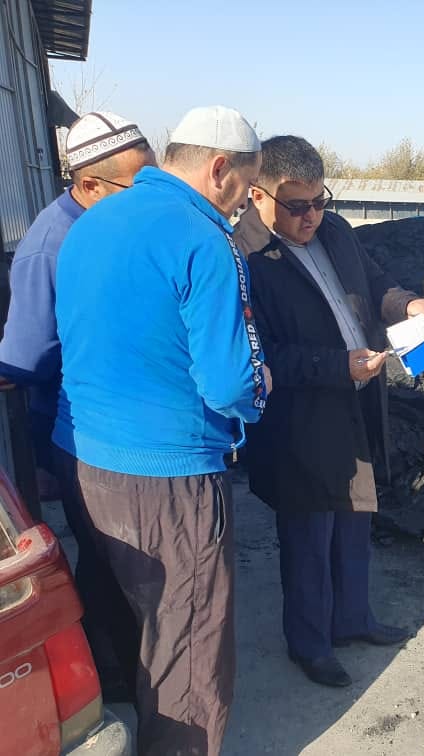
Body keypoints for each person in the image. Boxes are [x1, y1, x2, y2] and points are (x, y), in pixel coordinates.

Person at [53, 105, 270, 755]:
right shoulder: (206, 240)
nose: (245, 203)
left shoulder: (90, 221)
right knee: (189, 641)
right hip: (169, 475)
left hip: (85, 457)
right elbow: (229, 383)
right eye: (247, 186)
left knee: (133, 610)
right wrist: (262, 386)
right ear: (220, 169)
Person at [233, 135, 424, 688]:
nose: (312, 216)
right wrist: (336, 366)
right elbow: (261, 354)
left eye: (321, 201)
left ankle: (353, 619)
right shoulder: (245, 257)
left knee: (354, 519)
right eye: (298, 206)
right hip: (300, 421)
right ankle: (311, 644)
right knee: (309, 538)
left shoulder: (336, 232)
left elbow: (376, 283)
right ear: (257, 195)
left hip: (356, 402)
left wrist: (409, 304)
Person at [0, 110, 155, 699]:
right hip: (79, 429)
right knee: (106, 554)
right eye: (136, 186)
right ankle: (111, 673)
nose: (149, 198)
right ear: (89, 185)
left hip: (118, 423)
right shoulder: (52, 246)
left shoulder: (112, 225)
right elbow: (27, 355)